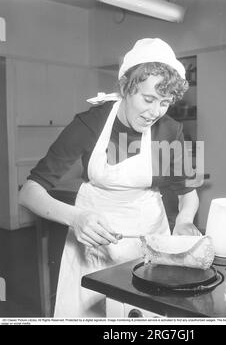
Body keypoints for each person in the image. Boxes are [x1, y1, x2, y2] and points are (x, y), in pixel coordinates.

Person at [19, 38, 200, 317]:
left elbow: (188, 194)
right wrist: (75, 217)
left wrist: (186, 220)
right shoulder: (90, 123)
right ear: (126, 87)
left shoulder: (170, 130)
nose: (155, 112)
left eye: (164, 103)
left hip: (150, 246)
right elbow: (29, 192)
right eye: (148, 99)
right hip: (94, 249)